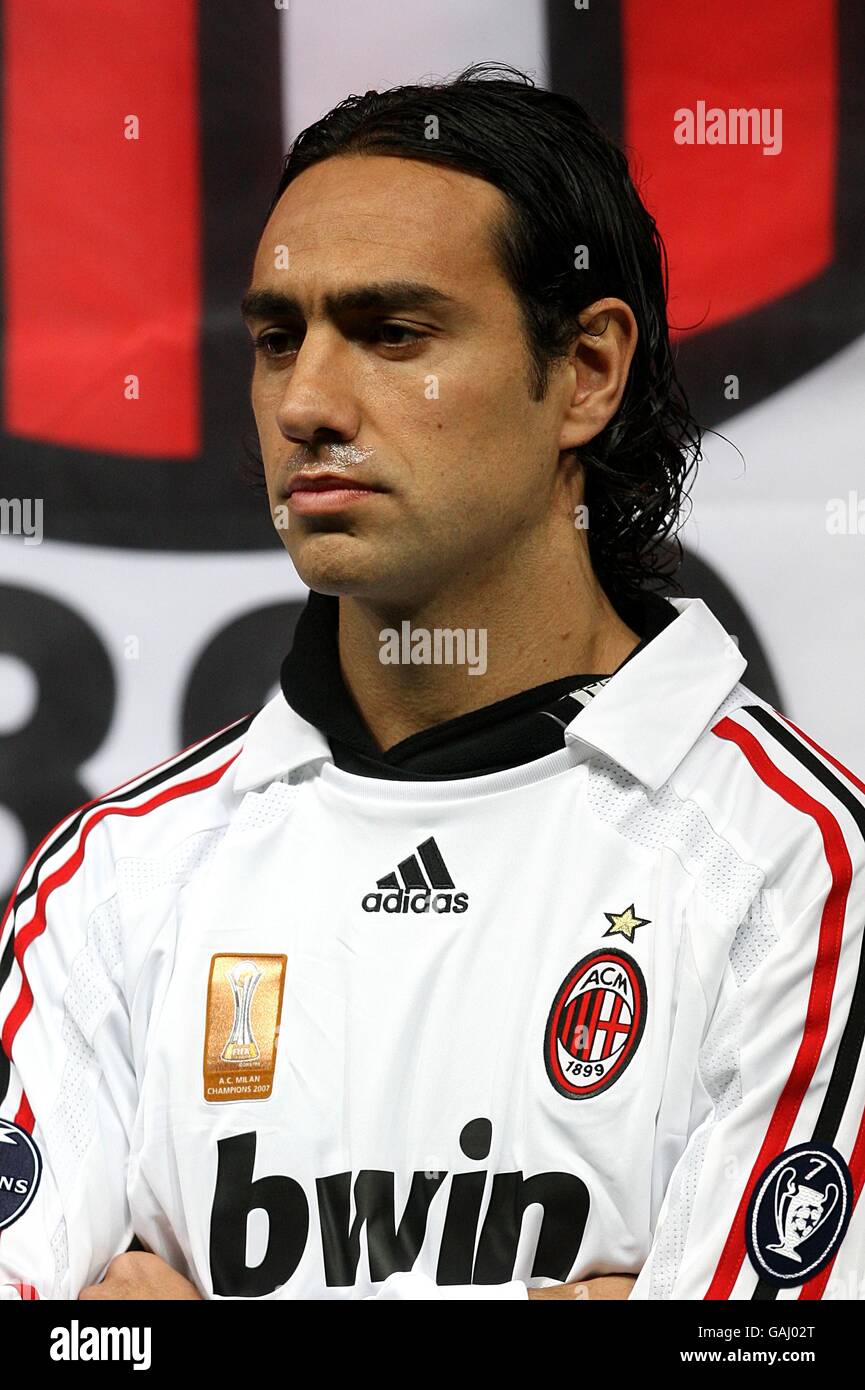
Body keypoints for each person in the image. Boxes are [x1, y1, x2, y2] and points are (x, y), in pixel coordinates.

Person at [2, 63, 864, 1302]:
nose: (304, 403)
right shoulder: (109, 880)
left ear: (585, 371)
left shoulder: (800, 871)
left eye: (392, 332)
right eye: (276, 338)